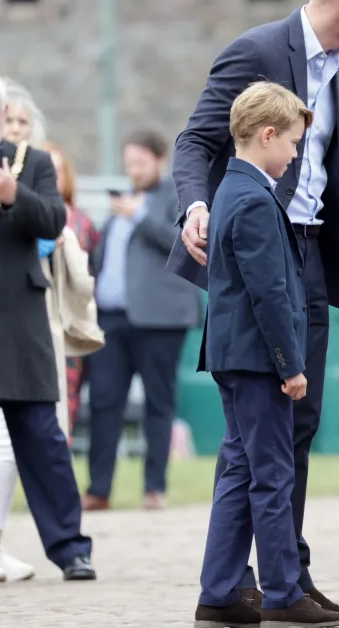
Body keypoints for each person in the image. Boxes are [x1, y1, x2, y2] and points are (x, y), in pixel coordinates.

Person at [169, 0, 339, 618]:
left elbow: (331, 171)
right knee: (260, 430)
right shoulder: (258, 51)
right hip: (257, 252)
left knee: (293, 425)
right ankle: (261, 585)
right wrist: (194, 205)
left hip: (313, 261)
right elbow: (195, 142)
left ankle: (279, 575)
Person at [195, 81, 336, 627]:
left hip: (236, 356)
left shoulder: (234, 188)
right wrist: (291, 365)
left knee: (238, 471)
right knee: (272, 474)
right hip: (258, 360)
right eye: (294, 143)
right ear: (267, 135)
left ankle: (221, 593)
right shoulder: (254, 198)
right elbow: (269, 293)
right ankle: (281, 594)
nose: (297, 153)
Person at [0, 77, 95, 582]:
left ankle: (70, 548)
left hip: (19, 318)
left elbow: (53, 218)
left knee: (42, 436)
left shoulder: (31, 163)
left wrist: (13, 194)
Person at [84, 129, 203, 512]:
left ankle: (155, 488)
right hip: (111, 320)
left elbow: (183, 243)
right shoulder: (124, 201)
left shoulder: (178, 196)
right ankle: (99, 489)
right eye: (129, 163)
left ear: (159, 160)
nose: (133, 170)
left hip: (160, 320)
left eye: (140, 162)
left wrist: (140, 215)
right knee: (104, 402)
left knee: (158, 403)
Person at [45, 142, 100, 436]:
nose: (52, 177)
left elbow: (92, 277)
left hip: (68, 326)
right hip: (27, 322)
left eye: (57, 171)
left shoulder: (82, 223)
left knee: (65, 409)